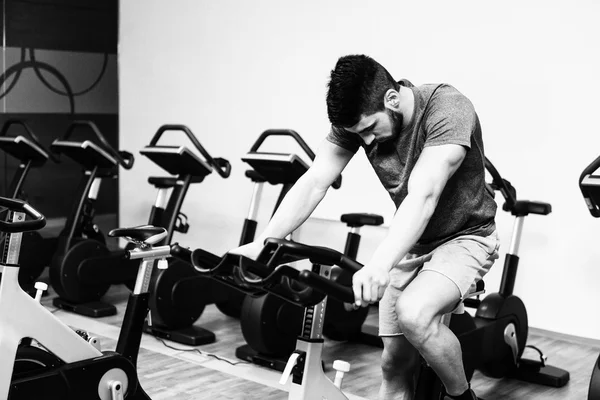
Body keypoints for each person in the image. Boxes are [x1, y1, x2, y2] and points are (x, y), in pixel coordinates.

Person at [231, 54, 500, 400]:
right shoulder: (359, 121)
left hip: (467, 236)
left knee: (414, 315)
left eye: (371, 129)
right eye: (360, 134)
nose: (369, 142)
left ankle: (462, 397)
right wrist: (264, 243)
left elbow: (424, 194)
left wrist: (378, 265)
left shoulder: (448, 108)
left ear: (392, 98)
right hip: (415, 243)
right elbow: (315, 180)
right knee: (392, 364)